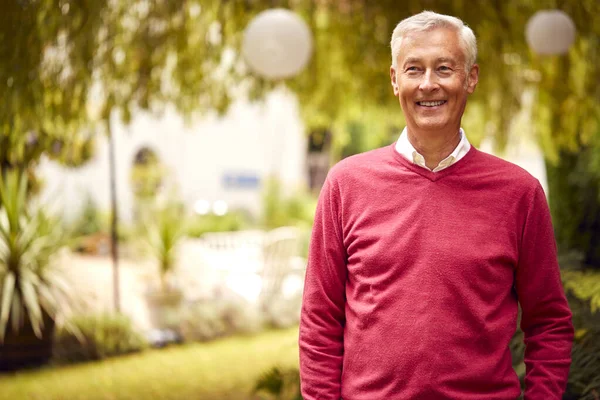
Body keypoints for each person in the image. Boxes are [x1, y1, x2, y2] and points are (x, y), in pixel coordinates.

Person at [299, 10, 574, 400]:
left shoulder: (519, 193)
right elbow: (320, 319)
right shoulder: (346, 184)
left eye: (444, 68)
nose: (429, 84)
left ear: (471, 78)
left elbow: (548, 322)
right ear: (395, 80)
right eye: (414, 69)